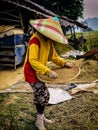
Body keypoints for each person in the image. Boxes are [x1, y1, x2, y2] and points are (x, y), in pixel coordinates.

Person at [23, 16, 72, 130]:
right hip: (31, 72)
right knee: (44, 95)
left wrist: (64, 63)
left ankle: (41, 116)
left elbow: (54, 57)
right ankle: (39, 121)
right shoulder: (35, 40)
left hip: (40, 72)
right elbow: (32, 60)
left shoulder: (48, 41)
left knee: (40, 95)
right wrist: (47, 71)